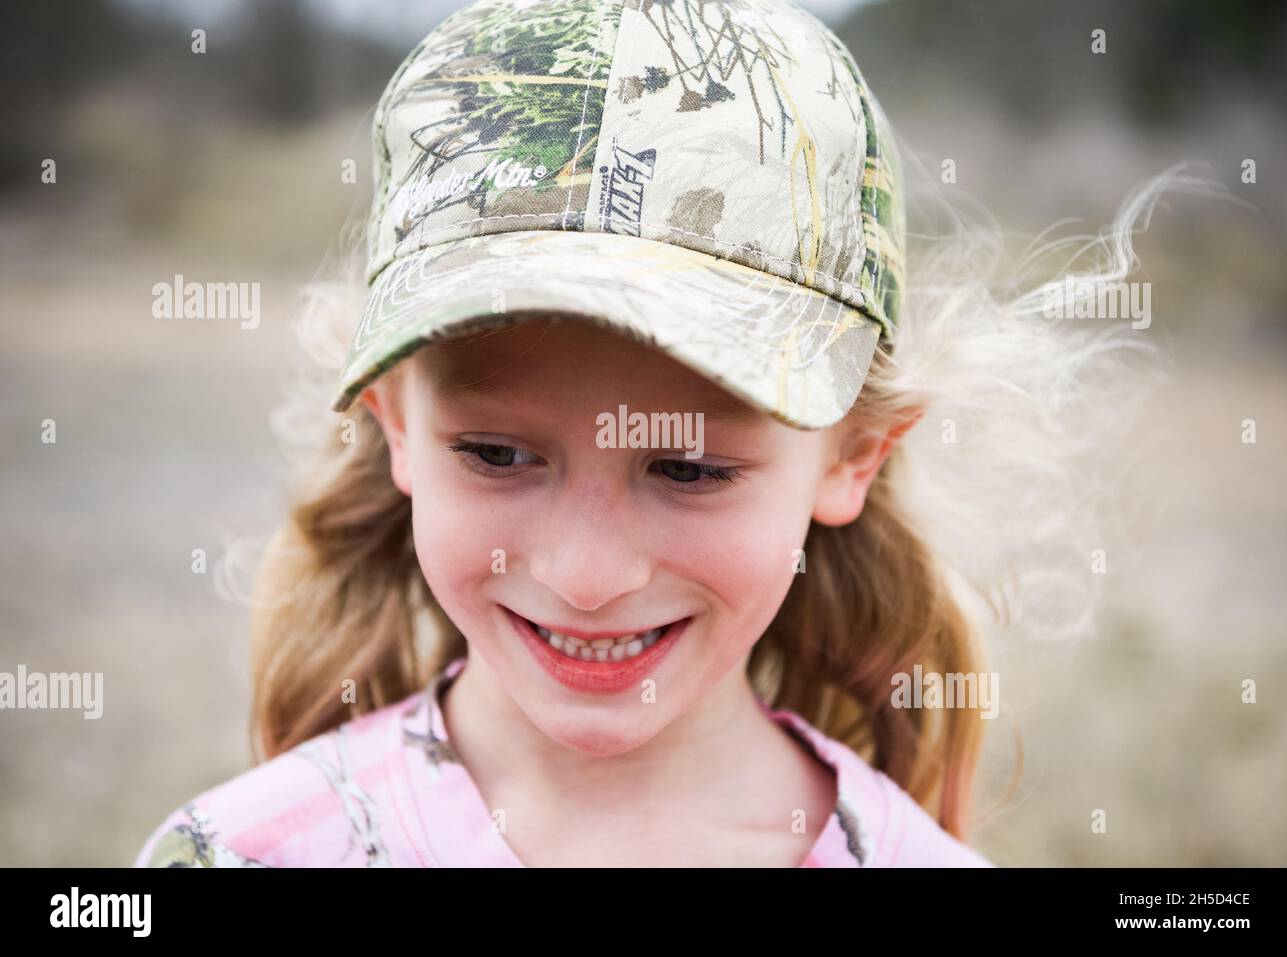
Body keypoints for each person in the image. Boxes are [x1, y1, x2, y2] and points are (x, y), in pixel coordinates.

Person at [135, 0, 1174, 868]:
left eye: (688, 467)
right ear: (393, 423)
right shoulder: (240, 853)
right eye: (497, 454)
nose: (587, 577)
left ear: (857, 453)